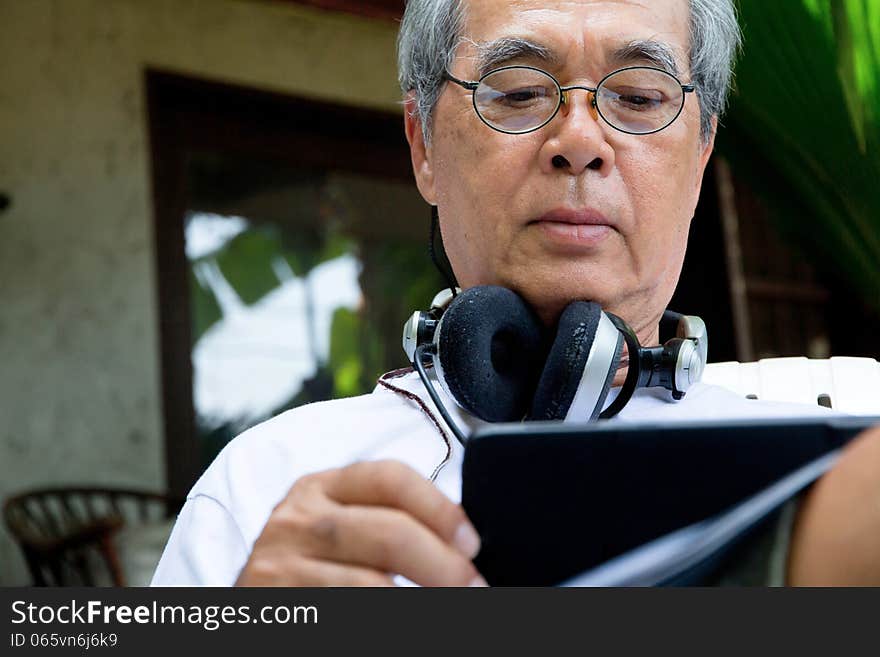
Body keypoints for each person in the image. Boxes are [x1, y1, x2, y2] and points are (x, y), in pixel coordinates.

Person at [151, 0, 880, 587]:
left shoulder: (833, 488)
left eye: (636, 96)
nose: (580, 138)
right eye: (522, 92)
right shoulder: (269, 486)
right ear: (423, 146)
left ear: (700, 159)